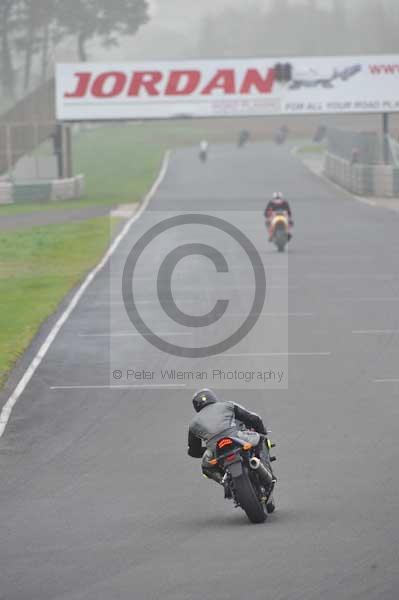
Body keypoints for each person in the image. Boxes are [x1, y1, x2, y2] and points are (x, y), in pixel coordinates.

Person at [187, 389, 275, 497]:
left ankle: (225, 482)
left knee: (206, 467)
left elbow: (194, 451)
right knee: (261, 439)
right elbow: (253, 418)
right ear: (213, 397)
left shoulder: (192, 424)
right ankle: (265, 469)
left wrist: (209, 449)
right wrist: (261, 431)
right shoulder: (227, 405)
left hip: (214, 448)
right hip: (236, 437)